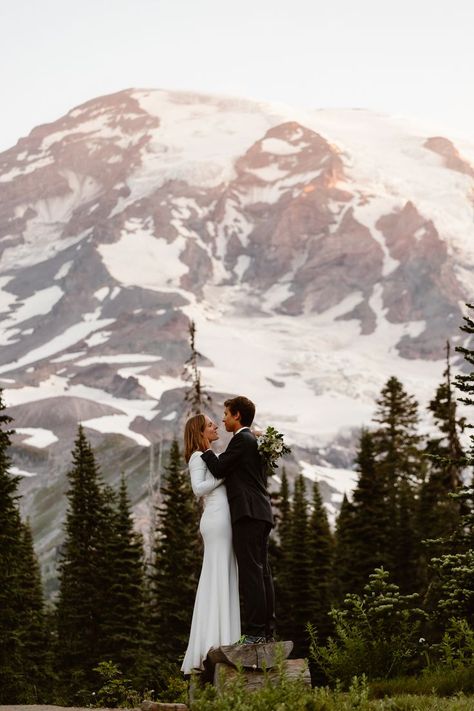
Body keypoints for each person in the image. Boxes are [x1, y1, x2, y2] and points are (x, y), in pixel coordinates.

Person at [201, 396, 275, 644]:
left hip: (248, 513)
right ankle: (266, 630)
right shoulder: (251, 440)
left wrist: (204, 449)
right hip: (261, 513)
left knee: (252, 573)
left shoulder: (242, 439)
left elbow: (220, 468)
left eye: (226, 414)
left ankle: (255, 633)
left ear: (237, 416)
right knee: (262, 572)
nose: (222, 419)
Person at [181, 413, 240, 675]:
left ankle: (221, 640)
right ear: (200, 432)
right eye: (210, 425)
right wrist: (224, 476)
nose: (215, 426)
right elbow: (197, 488)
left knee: (222, 574)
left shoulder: (208, 455)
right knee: (218, 574)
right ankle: (216, 643)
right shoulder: (197, 457)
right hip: (216, 520)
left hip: (221, 519)